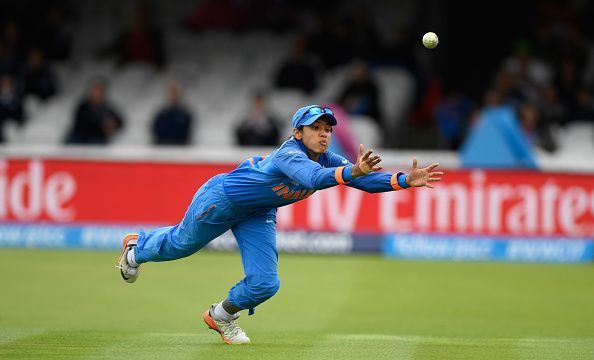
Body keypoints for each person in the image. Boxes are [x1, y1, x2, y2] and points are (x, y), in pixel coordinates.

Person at [117, 105, 443, 344]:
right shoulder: (289, 155)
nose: (324, 134)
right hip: (222, 199)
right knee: (179, 246)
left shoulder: (328, 158)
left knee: (265, 284)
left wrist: (403, 180)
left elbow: (365, 182)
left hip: (259, 212)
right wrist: (353, 172)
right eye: (316, 128)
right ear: (298, 133)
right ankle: (136, 248)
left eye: (328, 129)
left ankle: (221, 315)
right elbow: (314, 178)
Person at [65, 78, 124, 145]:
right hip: (80, 136)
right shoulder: (83, 106)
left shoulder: (107, 108)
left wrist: (112, 125)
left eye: (99, 90)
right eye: (95, 89)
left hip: (97, 138)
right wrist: (101, 125)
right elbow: (82, 123)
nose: (97, 93)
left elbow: (120, 121)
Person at [152, 81, 194, 145]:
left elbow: (187, 135)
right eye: (171, 92)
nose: (173, 95)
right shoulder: (161, 115)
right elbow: (156, 135)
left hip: (180, 149)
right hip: (163, 149)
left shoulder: (185, 115)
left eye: (175, 92)